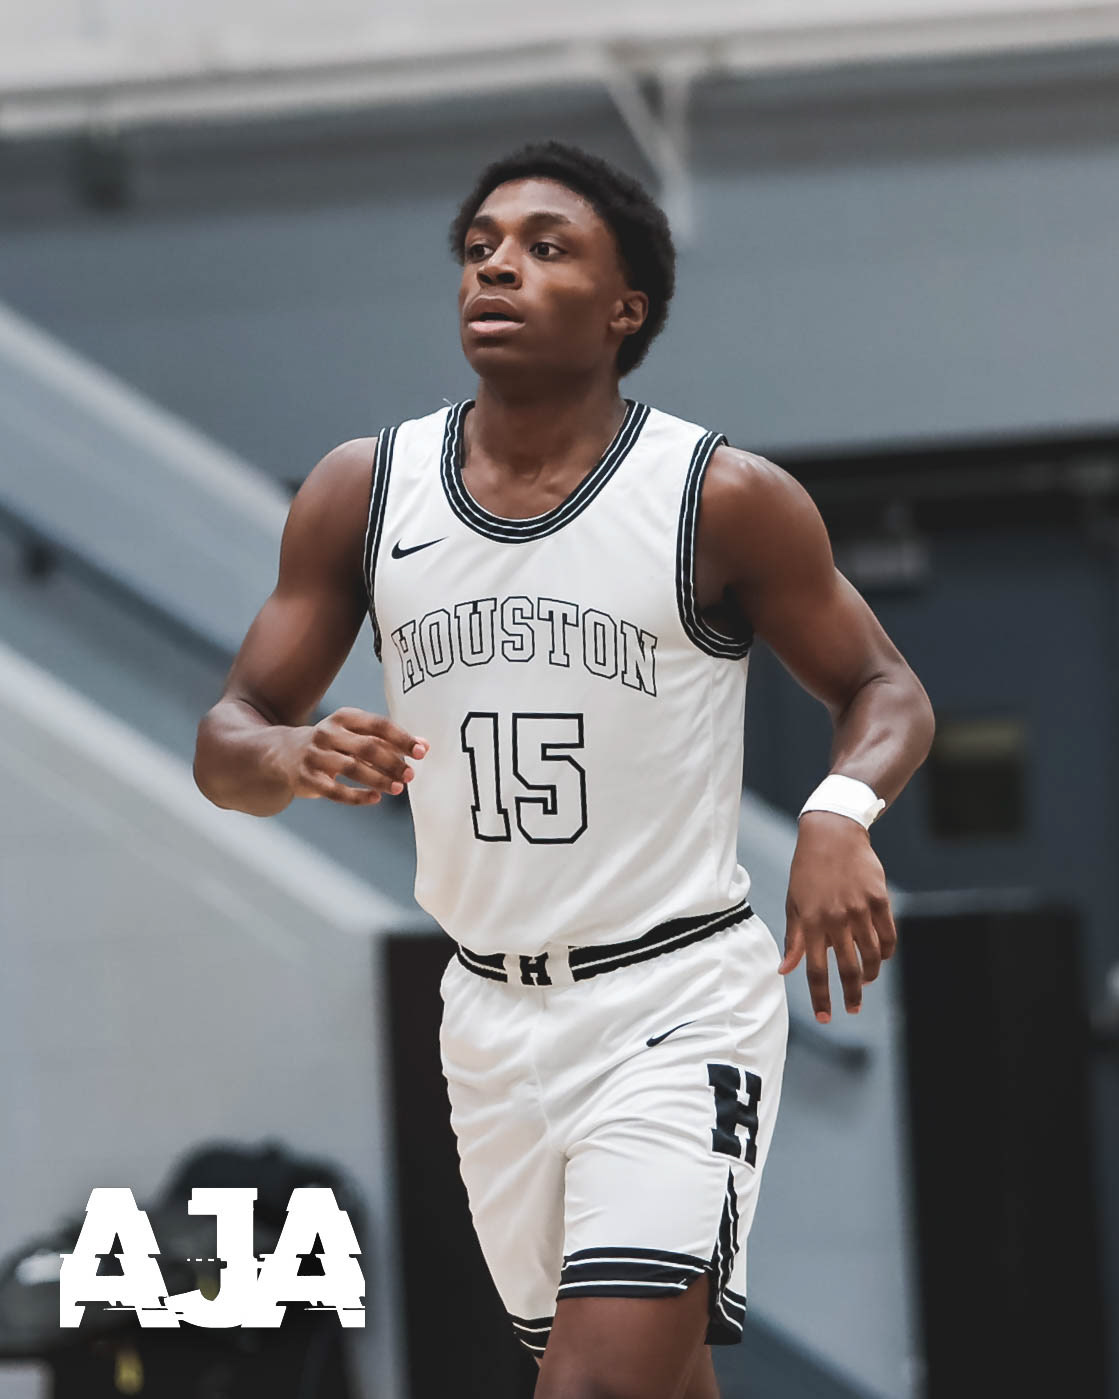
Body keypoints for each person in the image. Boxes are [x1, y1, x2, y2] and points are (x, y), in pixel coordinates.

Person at [194, 141, 934, 1399]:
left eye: (546, 248)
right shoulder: (363, 492)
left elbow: (886, 687)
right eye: (480, 246)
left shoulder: (718, 495)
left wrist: (837, 812)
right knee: (649, 1380)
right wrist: (288, 751)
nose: (497, 267)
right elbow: (228, 739)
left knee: (594, 1383)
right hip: (488, 1013)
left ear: (624, 307)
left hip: (674, 1000)